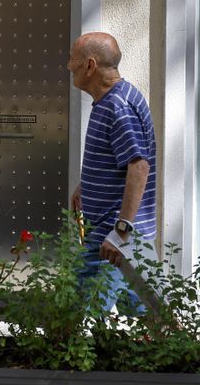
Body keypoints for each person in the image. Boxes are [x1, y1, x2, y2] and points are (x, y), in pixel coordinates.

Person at [66, 31, 160, 314]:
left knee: (82, 314)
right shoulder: (113, 98)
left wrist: (121, 231)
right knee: (150, 317)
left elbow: (138, 166)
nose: (68, 65)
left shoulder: (118, 106)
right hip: (123, 231)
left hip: (114, 233)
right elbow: (119, 157)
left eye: (73, 59)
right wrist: (88, 185)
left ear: (90, 65)